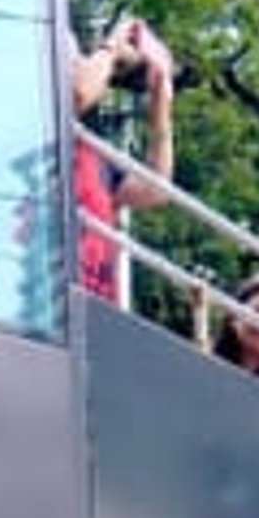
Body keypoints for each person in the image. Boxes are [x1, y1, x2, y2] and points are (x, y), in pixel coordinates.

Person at [70, 17, 175, 306]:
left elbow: (156, 190)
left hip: (94, 302)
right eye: (78, 63)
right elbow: (76, 94)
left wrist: (160, 104)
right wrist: (113, 47)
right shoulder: (22, 128)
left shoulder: (91, 153)